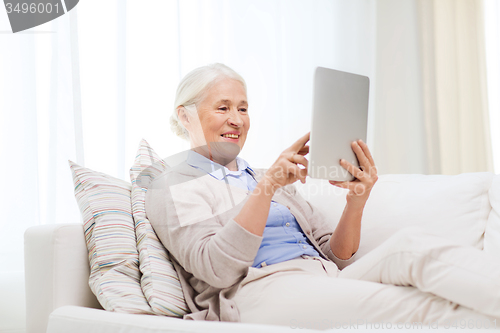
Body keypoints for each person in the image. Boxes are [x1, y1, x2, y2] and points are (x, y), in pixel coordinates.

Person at [145, 63, 500, 329]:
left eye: (243, 108)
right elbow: (217, 269)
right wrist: (266, 189)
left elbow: (337, 255)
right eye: (223, 108)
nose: (236, 119)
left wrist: (356, 201)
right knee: (424, 307)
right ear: (185, 116)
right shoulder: (173, 184)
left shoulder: (266, 175)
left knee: (411, 245)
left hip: (325, 279)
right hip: (258, 294)